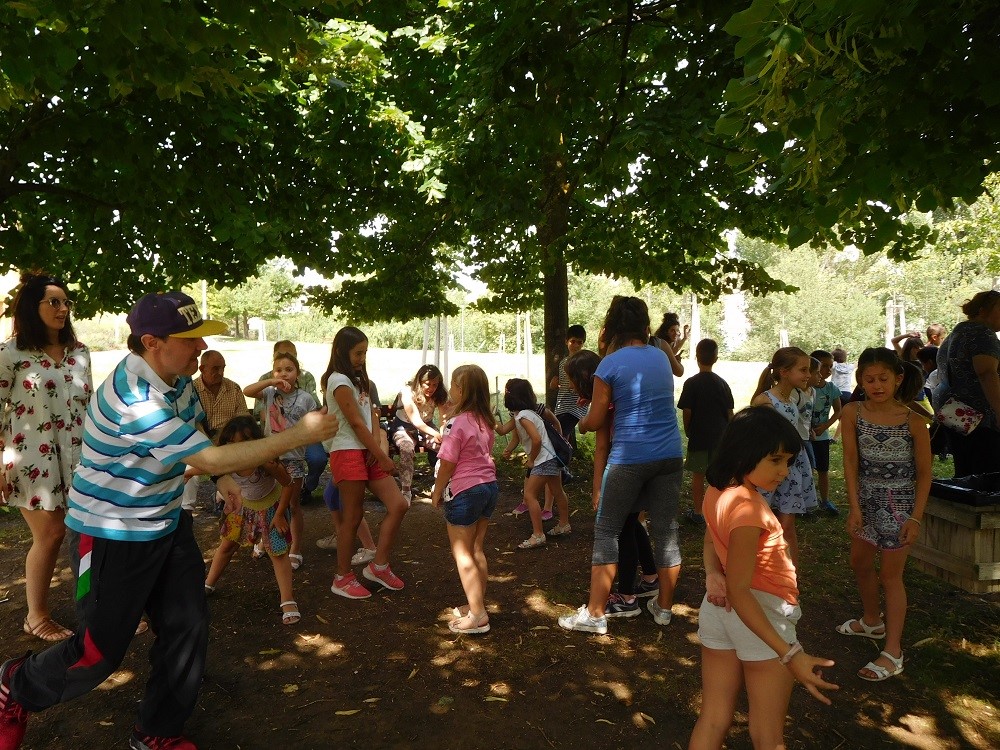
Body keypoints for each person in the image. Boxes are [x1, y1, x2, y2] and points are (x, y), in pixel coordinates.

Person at [0, 290, 337, 750]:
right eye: (190, 339)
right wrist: (296, 435)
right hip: (111, 533)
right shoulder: (133, 399)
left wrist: (223, 480)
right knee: (97, 654)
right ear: (153, 342)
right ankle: (15, 687)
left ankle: (157, 732)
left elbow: (197, 439)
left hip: (165, 521)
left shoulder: (177, 381)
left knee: (187, 627)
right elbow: (209, 456)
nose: (201, 347)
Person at [688, 407, 838, 750]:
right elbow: (740, 591)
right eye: (775, 460)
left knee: (712, 717)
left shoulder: (718, 491)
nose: (785, 471)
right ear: (745, 452)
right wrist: (790, 654)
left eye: (788, 461)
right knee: (768, 735)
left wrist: (713, 574)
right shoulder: (749, 510)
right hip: (761, 613)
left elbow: (710, 541)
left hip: (718, 611)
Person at [558, 296, 683, 634]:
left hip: (630, 457)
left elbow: (597, 419)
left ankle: (595, 613)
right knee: (666, 531)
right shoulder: (661, 356)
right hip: (670, 454)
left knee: (608, 530)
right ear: (645, 325)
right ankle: (664, 608)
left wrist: (582, 423)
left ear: (612, 327)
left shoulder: (609, 364)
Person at [0, 272, 92, 643]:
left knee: (92, 532)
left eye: (66, 302)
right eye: (53, 301)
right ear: (31, 306)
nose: (62, 308)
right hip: (33, 460)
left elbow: (88, 404)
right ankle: (36, 616)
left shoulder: (79, 351)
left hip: (81, 457)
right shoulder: (11, 353)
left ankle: (99, 611)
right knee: (51, 533)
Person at [837, 348, 931, 681]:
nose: (877, 385)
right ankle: (872, 621)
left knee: (891, 577)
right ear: (860, 381)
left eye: (883, 379)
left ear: (898, 379)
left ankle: (893, 652)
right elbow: (850, 462)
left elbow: (925, 474)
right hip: (865, 502)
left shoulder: (914, 421)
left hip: (899, 506)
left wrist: (915, 518)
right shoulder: (852, 412)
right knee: (860, 563)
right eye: (870, 379)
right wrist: (854, 506)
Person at [566, 349, 658, 618]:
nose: (568, 385)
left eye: (570, 379)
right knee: (632, 522)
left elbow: (602, 447)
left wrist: (598, 488)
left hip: (626, 467)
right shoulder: (616, 393)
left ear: (583, 378)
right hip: (647, 460)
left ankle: (627, 597)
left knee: (622, 531)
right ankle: (651, 577)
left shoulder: (604, 404)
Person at [323, 326, 409, 599]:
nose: (362, 358)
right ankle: (342, 577)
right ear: (341, 351)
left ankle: (378, 566)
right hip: (347, 450)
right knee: (353, 516)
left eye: (364, 353)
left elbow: (370, 415)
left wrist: (375, 444)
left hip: (366, 448)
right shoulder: (338, 380)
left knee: (398, 504)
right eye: (357, 353)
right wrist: (382, 455)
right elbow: (354, 423)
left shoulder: (359, 379)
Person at [202, 416, 300, 626]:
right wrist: (187, 473)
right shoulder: (225, 462)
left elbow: (288, 484)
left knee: (278, 553)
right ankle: (208, 584)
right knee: (227, 546)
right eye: (231, 444)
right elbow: (203, 467)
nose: (238, 449)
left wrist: (280, 515)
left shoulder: (266, 462)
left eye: (244, 443)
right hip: (243, 507)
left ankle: (287, 600)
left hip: (272, 507)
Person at [430, 365, 498, 634]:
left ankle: (477, 615)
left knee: (462, 553)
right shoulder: (485, 421)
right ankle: (476, 604)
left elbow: (448, 462)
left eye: (453, 385)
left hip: (465, 491)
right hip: (488, 487)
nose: (450, 389)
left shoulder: (456, 423)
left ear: (462, 390)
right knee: (477, 549)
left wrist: (437, 491)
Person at [243, 352, 317, 571]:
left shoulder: (306, 398)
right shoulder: (268, 393)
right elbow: (247, 391)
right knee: (268, 502)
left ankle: (295, 548)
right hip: (271, 458)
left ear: (298, 373)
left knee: (292, 505)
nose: (284, 374)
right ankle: (265, 541)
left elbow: (313, 425)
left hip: (294, 457)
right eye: (278, 370)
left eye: (289, 369)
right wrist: (270, 382)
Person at [750, 347, 818, 566]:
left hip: (792, 466)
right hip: (771, 468)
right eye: (803, 370)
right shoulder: (765, 401)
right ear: (784, 372)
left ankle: (791, 576)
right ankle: (757, 571)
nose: (808, 375)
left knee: (787, 526)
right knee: (761, 524)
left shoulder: (792, 399)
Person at [496, 379, 571, 548]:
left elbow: (536, 440)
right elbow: (502, 430)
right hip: (550, 458)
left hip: (542, 460)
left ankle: (538, 534)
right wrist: (489, 418)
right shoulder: (525, 414)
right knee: (558, 491)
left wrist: (531, 460)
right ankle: (564, 524)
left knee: (529, 495)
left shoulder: (523, 417)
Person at [937, 290, 1000, 476]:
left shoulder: (957, 332)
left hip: (954, 412)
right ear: (982, 310)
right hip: (980, 417)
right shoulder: (983, 333)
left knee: (965, 472)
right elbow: (986, 373)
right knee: (987, 474)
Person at [255, 341, 326, 506]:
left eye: (292, 355)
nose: (284, 372)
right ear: (274, 358)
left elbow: (312, 408)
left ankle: (307, 488)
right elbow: (262, 412)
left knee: (318, 458)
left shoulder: (306, 378)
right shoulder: (267, 381)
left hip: (301, 435)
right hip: (275, 439)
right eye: (281, 356)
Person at [676, 339, 734, 526]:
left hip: (699, 437)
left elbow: (687, 411)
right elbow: (730, 413)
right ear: (716, 358)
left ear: (696, 357)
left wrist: (689, 430)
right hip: (720, 438)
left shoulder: (691, 383)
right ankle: (719, 511)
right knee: (720, 475)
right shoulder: (722, 384)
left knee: (698, 475)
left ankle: (698, 512)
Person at [390, 364, 447, 504]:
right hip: (404, 427)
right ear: (419, 382)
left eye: (435, 384)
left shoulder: (439, 394)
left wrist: (442, 433)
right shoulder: (407, 392)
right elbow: (416, 421)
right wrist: (436, 433)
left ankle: (440, 485)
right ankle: (406, 490)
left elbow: (443, 418)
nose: (431, 388)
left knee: (445, 448)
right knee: (406, 448)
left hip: (427, 426)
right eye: (427, 384)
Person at [808, 350, 842, 516]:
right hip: (806, 437)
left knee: (823, 470)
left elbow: (838, 411)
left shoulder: (831, 388)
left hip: (822, 437)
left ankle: (825, 500)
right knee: (807, 470)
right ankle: (807, 503)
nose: (829, 370)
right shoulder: (804, 388)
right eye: (825, 366)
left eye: (831, 366)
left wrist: (825, 426)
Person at [193, 350, 249, 443]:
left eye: (223, 368)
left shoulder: (234, 388)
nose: (221, 372)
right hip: (201, 443)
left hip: (229, 442)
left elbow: (243, 420)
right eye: (215, 369)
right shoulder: (191, 389)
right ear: (202, 369)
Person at [549, 325, 588, 452]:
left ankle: (562, 458)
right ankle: (565, 457)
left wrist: (575, 384)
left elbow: (581, 384)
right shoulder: (563, 362)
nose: (576, 345)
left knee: (560, 434)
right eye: (573, 341)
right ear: (566, 341)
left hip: (575, 406)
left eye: (579, 342)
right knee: (561, 433)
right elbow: (563, 384)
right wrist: (554, 384)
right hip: (562, 404)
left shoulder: (583, 362)